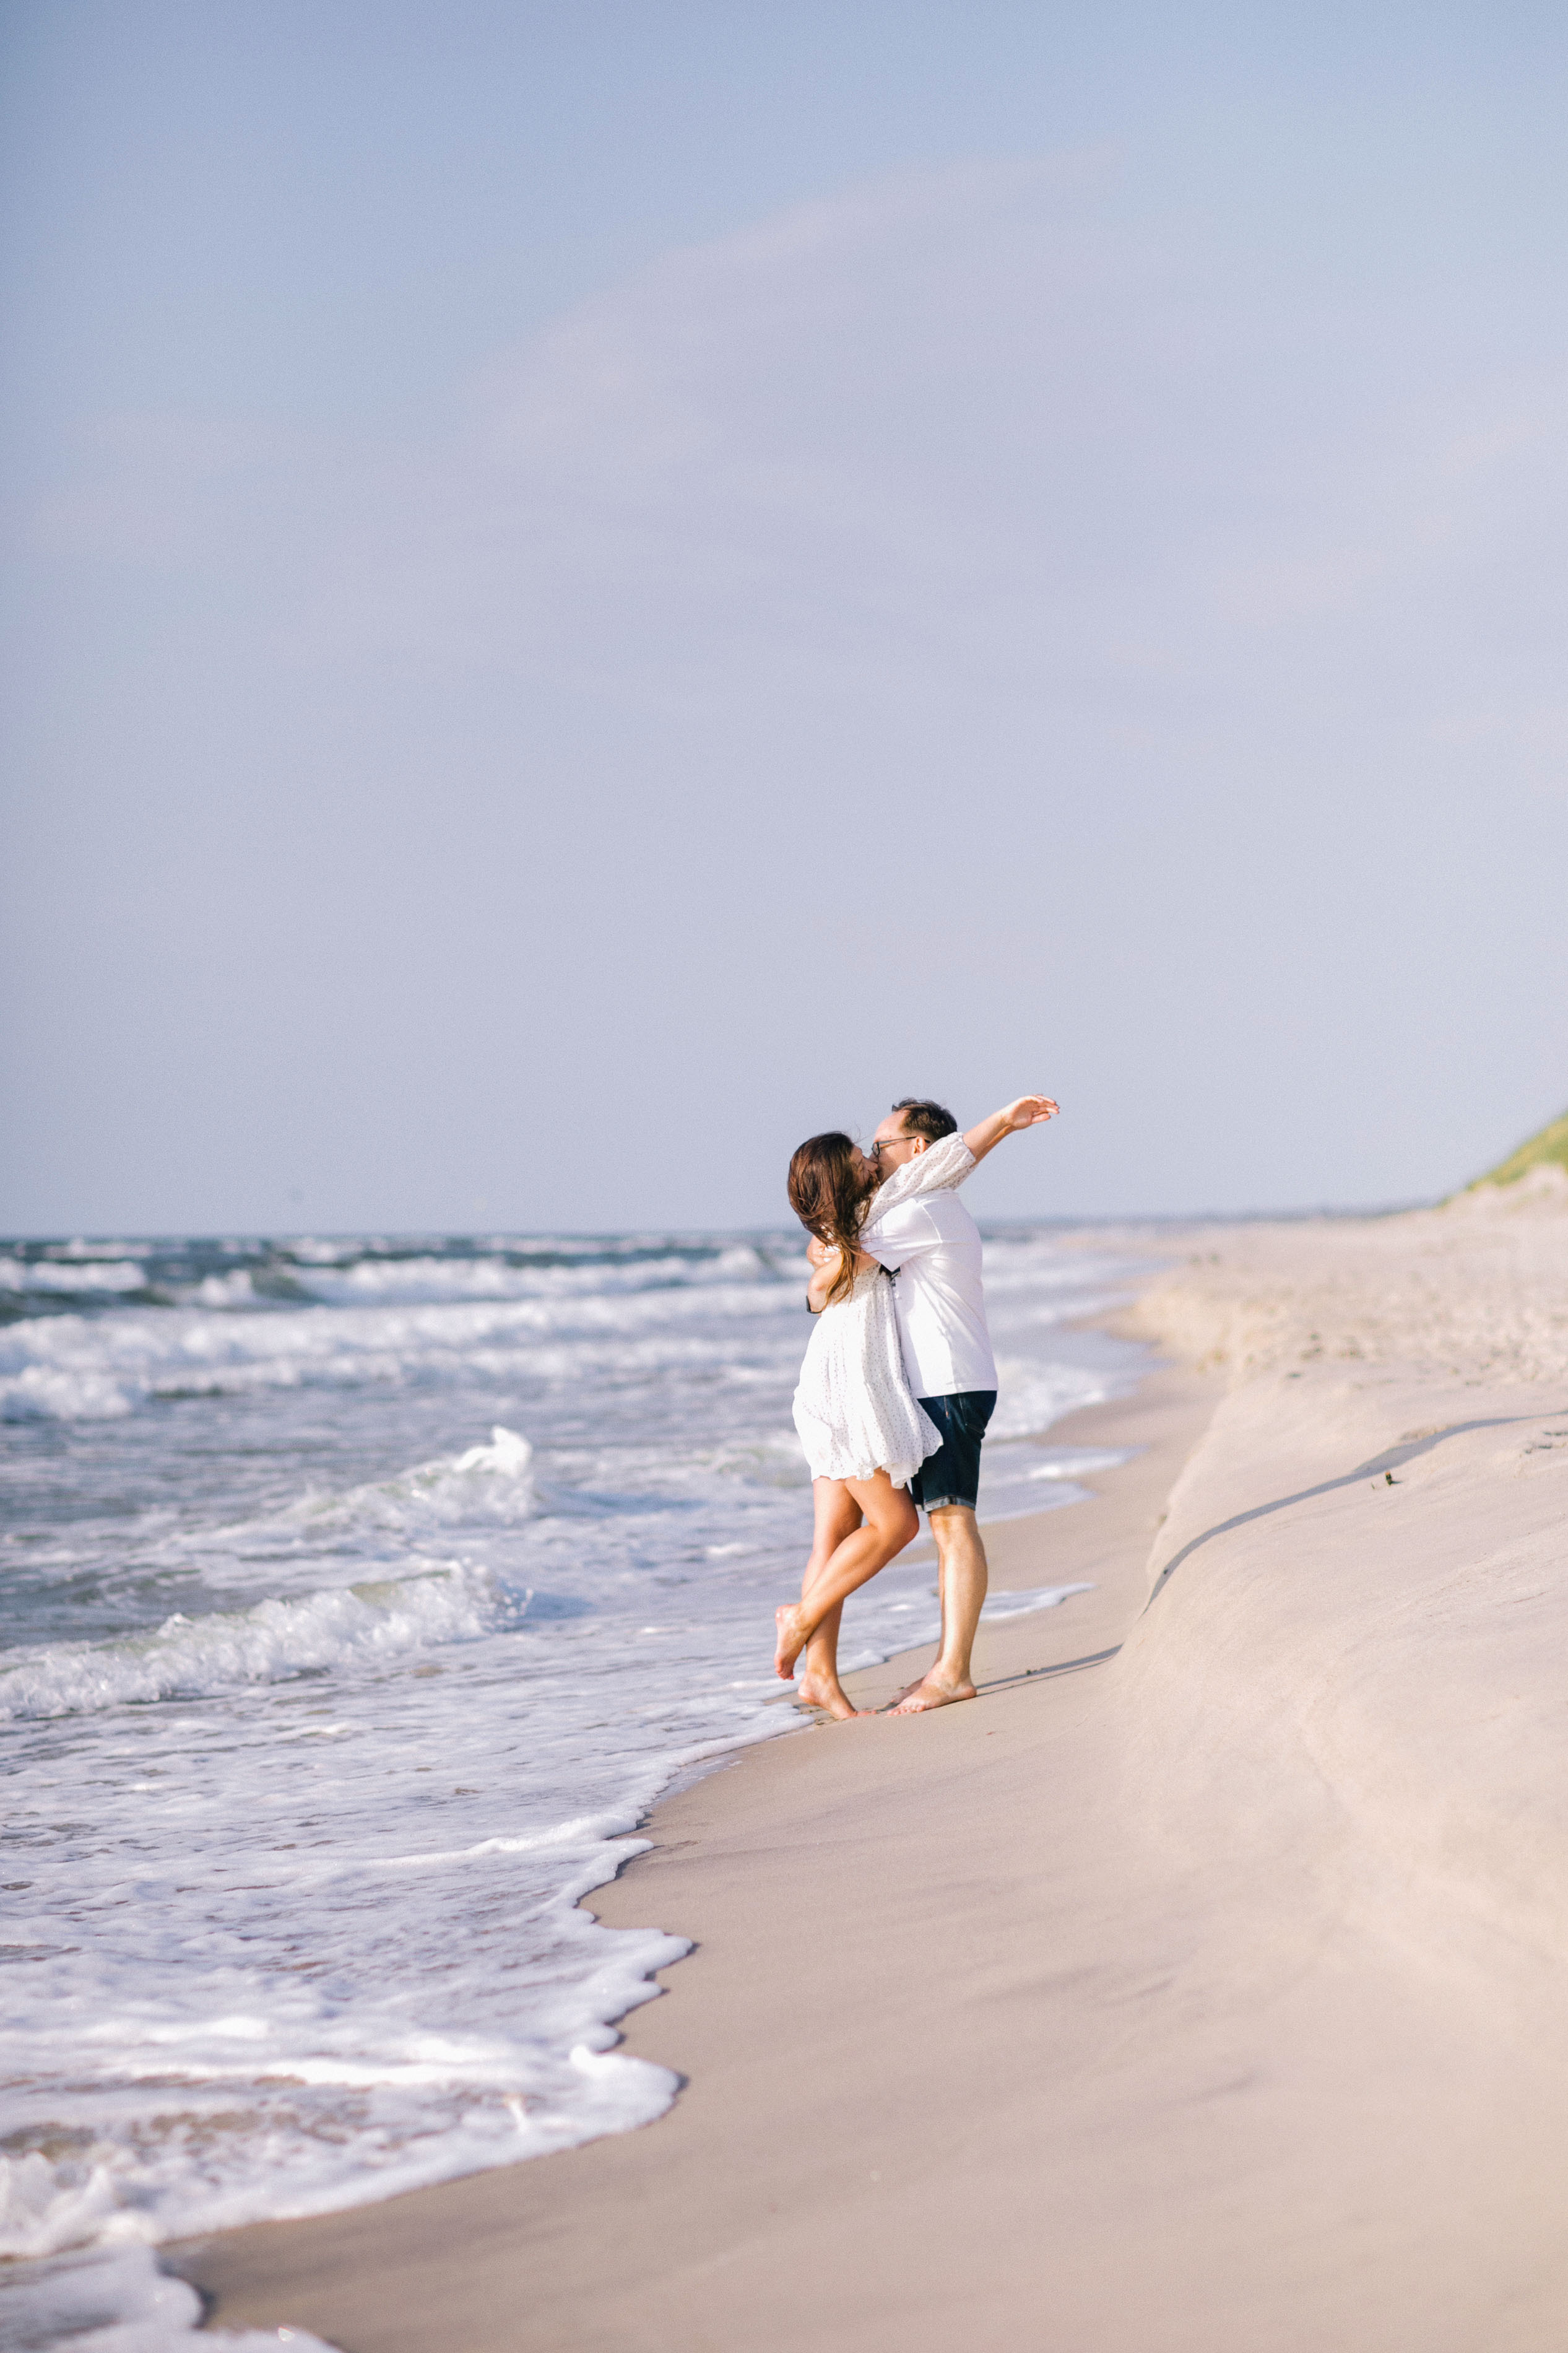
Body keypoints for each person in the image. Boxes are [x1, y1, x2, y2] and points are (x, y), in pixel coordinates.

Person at [775, 1094, 1058, 1711]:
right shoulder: (904, 1201)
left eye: (881, 1148)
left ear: (916, 1151)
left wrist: (818, 1267)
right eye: (868, 1154)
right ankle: (818, 1668)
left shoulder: (921, 1208)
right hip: (910, 1386)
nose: (874, 1160)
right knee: (860, 1526)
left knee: (948, 1522)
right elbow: (839, 1247)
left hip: (947, 1384)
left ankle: (947, 1668)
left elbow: (843, 1259)